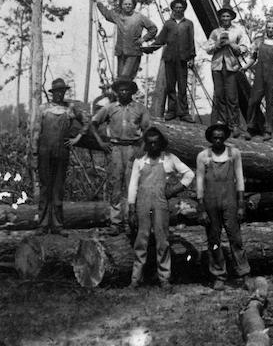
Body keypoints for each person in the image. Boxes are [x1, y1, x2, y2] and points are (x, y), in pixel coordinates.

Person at [31, 78, 109, 235]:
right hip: (44, 152)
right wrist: (34, 152)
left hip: (62, 151)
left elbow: (87, 122)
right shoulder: (43, 109)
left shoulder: (70, 109)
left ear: (64, 92)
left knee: (58, 188)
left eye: (62, 92)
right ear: (52, 93)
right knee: (46, 187)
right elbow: (35, 132)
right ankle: (43, 225)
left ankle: (58, 225)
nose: (60, 94)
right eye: (57, 92)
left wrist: (77, 138)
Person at [127, 127, 194, 290]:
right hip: (142, 203)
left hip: (160, 203)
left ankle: (164, 278)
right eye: (150, 143)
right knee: (141, 239)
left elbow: (189, 174)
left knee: (162, 240)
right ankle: (136, 279)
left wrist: (174, 190)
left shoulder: (169, 159)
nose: (153, 146)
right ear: (146, 144)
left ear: (161, 143)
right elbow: (133, 185)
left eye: (156, 143)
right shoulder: (139, 162)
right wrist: (131, 208)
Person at [92, 76, 150, 235]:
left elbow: (148, 131)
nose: (124, 92)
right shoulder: (110, 108)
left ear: (131, 92)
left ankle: (130, 221)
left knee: (132, 186)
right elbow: (93, 123)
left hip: (133, 149)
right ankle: (116, 222)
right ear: (117, 92)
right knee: (115, 185)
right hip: (116, 149)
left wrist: (142, 148)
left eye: (127, 90)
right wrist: (101, 143)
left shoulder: (140, 108)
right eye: (121, 90)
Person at [196, 123, 251, 289]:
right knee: (214, 240)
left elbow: (240, 178)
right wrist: (201, 207)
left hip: (230, 200)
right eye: (215, 138)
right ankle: (219, 274)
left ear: (225, 137)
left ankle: (244, 273)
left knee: (235, 238)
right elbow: (199, 181)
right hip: (210, 201)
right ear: (210, 138)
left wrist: (241, 204)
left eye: (221, 137)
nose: (218, 140)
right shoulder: (203, 156)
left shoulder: (234, 154)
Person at [144, 0, 196, 122]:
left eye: (181, 7)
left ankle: (184, 113)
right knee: (171, 86)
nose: (178, 9)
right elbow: (160, 40)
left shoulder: (188, 24)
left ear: (184, 9)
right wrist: (150, 48)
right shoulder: (168, 24)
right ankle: (171, 111)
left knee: (182, 87)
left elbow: (191, 41)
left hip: (183, 59)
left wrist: (192, 57)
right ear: (173, 9)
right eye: (176, 8)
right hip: (170, 58)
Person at [203, 6, 250, 139]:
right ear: (220, 18)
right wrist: (217, 44)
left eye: (227, 16)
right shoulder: (215, 32)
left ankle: (234, 125)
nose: (225, 19)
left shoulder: (238, 31)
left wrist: (230, 44)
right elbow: (207, 48)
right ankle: (222, 123)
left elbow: (244, 48)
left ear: (231, 18)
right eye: (223, 16)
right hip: (217, 66)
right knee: (220, 95)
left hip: (231, 67)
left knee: (232, 97)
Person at [93, 0, 157, 80]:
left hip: (133, 52)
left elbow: (153, 28)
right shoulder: (118, 17)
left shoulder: (139, 17)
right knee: (120, 79)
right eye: (125, 4)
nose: (128, 6)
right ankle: (123, 93)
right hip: (121, 52)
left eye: (130, 4)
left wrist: (143, 39)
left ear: (133, 5)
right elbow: (107, 14)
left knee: (125, 77)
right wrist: (98, 1)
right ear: (122, 6)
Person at [245, 18, 273, 140]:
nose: (270, 30)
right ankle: (250, 128)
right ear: (265, 28)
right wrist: (245, 67)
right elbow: (253, 58)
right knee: (254, 100)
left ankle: (268, 130)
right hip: (259, 73)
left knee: (270, 102)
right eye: (268, 27)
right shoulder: (258, 42)